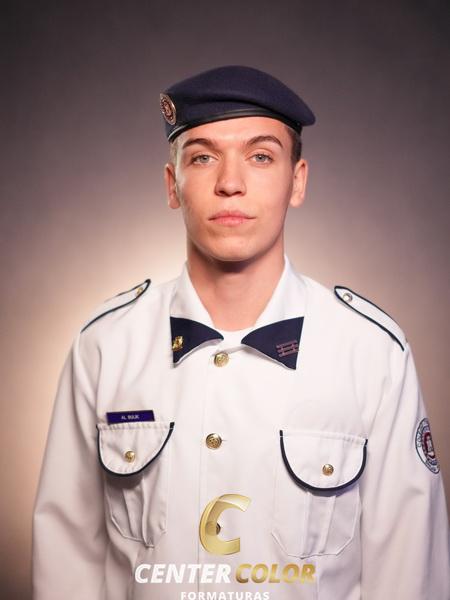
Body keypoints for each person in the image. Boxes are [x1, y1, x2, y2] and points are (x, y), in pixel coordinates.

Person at [32, 65, 449, 600]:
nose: (230, 182)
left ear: (298, 181)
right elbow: (66, 565)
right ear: (172, 185)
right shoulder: (105, 346)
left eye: (261, 156)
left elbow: (411, 577)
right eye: (203, 157)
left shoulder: (371, 354)